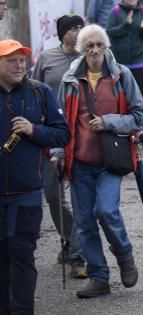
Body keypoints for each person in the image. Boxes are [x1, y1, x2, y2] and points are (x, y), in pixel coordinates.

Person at [54, 25, 143, 299]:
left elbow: (140, 114)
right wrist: (58, 154)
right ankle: (99, 277)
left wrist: (108, 122)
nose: (94, 50)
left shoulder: (121, 75)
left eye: (99, 45)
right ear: (81, 50)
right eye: (89, 46)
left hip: (112, 160)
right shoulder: (70, 79)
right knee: (84, 222)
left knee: (106, 211)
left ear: (106, 47)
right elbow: (61, 123)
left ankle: (124, 256)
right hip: (79, 161)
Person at [0, 39, 71, 312]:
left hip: (27, 193)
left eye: (22, 60)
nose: (19, 66)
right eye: (11, 60)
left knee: (22, 254)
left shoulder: (39, 92)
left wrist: (34, 131)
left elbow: (62, 133)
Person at [30, 15, 88, 277]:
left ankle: (78, 253)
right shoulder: (47, 58)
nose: (78, 32)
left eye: (80, 28)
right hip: (51, 133)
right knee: (53, 196)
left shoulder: (89, 58)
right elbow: (33, 89)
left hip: (81, 133)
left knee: (81, 197)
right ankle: (70, 237)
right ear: (62, 33)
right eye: (73, 28)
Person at [104, 0, 143, 99]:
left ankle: (141, 118)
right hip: (121, 62)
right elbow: (108, 33)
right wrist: (125, 25)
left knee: (139, 95)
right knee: (122, 97)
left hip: (141, 61)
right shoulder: (115, 12)